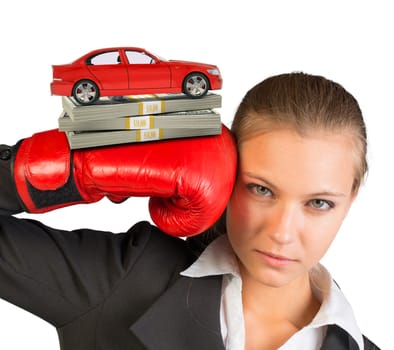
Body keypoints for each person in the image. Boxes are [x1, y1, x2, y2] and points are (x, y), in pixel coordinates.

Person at [0, 72, 380, 350]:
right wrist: (72, 169)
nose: (282, 232)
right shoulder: (124, 280)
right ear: (226, 174)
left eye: (318, 203)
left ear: (350, 200)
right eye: (261, 189)